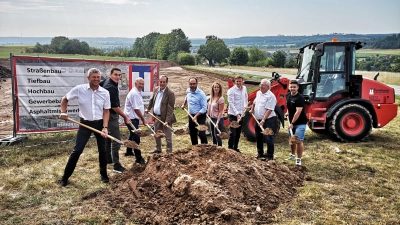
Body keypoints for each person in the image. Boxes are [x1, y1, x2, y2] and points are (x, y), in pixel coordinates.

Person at [58, 68, 110, 187]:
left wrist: (105, 127)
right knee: (77, 151)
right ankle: (65, 177)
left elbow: (106, 111)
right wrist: (63, 112)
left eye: (98, 77)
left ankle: (104, 175)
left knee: (103, 150)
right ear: (88, 78)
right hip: (84, 124)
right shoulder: (79, 89)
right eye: (94, 77)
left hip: (100, 124)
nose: (97, 79)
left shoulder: (104, 92)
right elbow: (65, 99)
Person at [100, 68, 129, 173]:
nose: (118, 77)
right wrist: (125, 117)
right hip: (111, 116)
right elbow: (115, 107)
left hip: (106, 114)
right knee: (116, 140)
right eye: (115, 74)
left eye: (119, 75)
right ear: (110, 74)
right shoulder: (111, 87)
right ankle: (116, 165)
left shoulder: (106, 81)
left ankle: (108, 159)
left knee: (108, 138)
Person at [146, 75, 177, 153]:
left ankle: (169, 152)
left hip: (166, 118)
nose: (162, 83)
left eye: (164, 82)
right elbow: (151, 100)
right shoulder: (156, 89)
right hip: (157, 117)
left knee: (168, 137)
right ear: (159, 81)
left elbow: (170, 109)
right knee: (157, 134)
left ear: (167, 83)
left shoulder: (170, 93)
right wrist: (148, 108)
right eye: (161, 81)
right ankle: (158, 149)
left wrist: (167, 121)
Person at [249, 79, 277, 161]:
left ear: (268, 87)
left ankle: (270, 155)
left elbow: (269, 110)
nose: (261, 86)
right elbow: (254, 102)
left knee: (268, 137)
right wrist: (252, 109)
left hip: (268, 120)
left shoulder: (271, 96)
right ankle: (260, 153)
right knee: (258, 137)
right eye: (260, 84)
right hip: (258, 119)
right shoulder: (258, 93)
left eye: (263, 85)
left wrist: (263, 120)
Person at [124, 77, 147, 164]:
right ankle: (139, 158)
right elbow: (136, 109)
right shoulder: (134, 94)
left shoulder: (138, 92)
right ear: (135, 84)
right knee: (136, 137)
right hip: (131, 119)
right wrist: (143, 119)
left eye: (142, 84)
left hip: (133, 118)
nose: (141, 85)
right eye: (139, 84)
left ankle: (129, 151)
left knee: (132, 134)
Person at [285, 80, 307, 166]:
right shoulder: (288, 95)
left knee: (298, 140)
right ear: (289, 87)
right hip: (292, 122)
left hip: (300, 123)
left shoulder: (300, 98)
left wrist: (292, 123)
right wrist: (287, 112)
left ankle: (298, 159)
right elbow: (289, 106)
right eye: (291, 87)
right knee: (292, 139)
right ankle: (293, 155)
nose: (292, 88)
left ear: (297, 87)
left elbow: (298, 112)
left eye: (294, 87)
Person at [181, 77, 208, 145]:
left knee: (201, 134)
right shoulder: (188, 91)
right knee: (192, 133)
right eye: (191, 84)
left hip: (200, 116)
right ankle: (195, 149)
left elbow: (204, 108)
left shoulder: (201, 94)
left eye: (194, 84)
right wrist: (184, 104)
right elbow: (187, 97)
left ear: (197, 84)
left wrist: (196, 116)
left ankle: (205, 149)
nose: (192, 85)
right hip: (191, 115)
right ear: (189, 84)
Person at [227, 75, 248, 152]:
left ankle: (235, 148)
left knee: (238, 132)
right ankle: (230, 148)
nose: (239, 83)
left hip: (242, 113)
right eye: (237, 81)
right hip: (233, 114)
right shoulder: (231, 91)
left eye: (240, 81)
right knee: (233, 132)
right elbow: (231, 103)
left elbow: (246, 98)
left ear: (242, 81)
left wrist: (246, 107)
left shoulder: (244, 88)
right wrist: (237, 114)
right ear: (234, 82)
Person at [207, 82, 224, 146]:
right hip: (212, 118)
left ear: (220, 89)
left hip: (218, 119)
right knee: (213, 135)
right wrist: (208, 114)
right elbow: (209, 107)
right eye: (215, 87)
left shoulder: (221, 99)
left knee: (217, 136)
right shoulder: (211, 97)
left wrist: (217, 122)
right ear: (212, 88)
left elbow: (220, 112)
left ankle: (220, 149)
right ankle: (214, 148)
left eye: (217, 87)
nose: (216, 88)